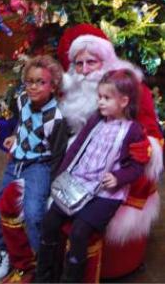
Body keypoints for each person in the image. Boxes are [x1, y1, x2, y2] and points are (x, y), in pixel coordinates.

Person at [0, 24, 163, 280]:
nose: (84, 71)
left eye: (91, 62)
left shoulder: (131, 91)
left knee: (78, 228)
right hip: (70, 171)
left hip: (110, 179)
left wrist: (145, 151)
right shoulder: (69, 94)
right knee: (35, 208)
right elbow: (67, 141)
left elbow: (151, 138)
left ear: (106, 61)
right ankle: (38, 267)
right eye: (78, 64)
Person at [35, 69, 146, 282]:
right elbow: (76, 148)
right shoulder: (96, 119)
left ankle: (71, 279)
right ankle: (44, 274)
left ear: (124, 101)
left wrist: (119, 177)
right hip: (77, 181)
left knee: (79, 232)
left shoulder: (133, 131)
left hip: (105, 193)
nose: (100, 102)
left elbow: (137, 166)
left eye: (106, 98)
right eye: (99, 97)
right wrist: (61, 174)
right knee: (50, 221)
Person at [0, 55, 68, 281]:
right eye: (30, 81)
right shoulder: (23, 99)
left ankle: (39, 259)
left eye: (40, 82)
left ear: (53, 85)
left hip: (39, 166)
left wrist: (52, 187)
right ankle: (4, 250)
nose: (33, 87)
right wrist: (15, 137)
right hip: (16, 162)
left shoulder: (56, 118)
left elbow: (57, 155)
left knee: (34, 213)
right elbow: (20, 122)